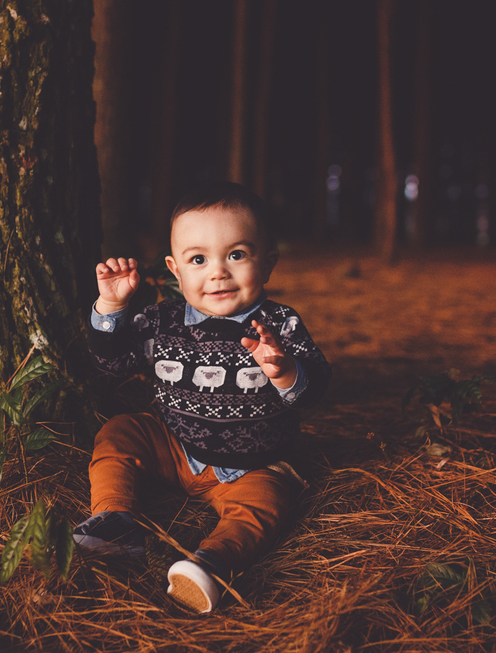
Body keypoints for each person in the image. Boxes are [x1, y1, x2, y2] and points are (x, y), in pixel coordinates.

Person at [76, 181, 331, 613]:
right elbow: (112, 366)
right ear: (176, 271)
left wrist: (285, 372)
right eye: (199, 259)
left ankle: (211, 564)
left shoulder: (280, 324)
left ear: (267, 264)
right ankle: (116, 520)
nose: (217, 271)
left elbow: (317, 389)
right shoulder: (161, 321)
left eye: (236, 254)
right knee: (120, 432)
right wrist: (110, 309)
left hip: (254, 464)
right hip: (176, 447)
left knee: (266, 504)